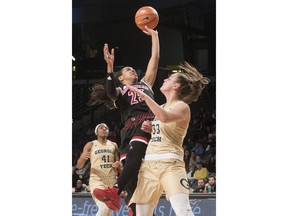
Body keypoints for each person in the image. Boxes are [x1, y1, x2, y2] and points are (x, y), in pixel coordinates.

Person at [91, 25, 160, 214]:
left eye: (133, 70)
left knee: (133, 159)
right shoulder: (121, 90)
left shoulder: (145, 84)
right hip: (127, 131)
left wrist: (154, 36)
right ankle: (132, 207)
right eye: (129, 70)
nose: (133, 72)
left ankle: (114, 190)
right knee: (132, 180)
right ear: (121, 78)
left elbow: (154, 59)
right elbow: (111, 93)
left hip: (145, 124)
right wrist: (110, 67)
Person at [127, 61, 209, 216]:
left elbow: (164, 118)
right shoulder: (162, 106)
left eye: (169, 79)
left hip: (170, 165)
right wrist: (153, 130)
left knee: (183, 211)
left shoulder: (182, 106)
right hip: (149, 166)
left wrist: (144, 96)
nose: (165, 79)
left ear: (176, 86)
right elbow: (164, 126)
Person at [76, 123, 121, 216]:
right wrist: (83, 158)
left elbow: (119, 166)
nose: (104, 129)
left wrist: (118, 165)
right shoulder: (91, 144)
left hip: (111, 180)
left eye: (106, 128)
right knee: (104, 207)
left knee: (108, 211)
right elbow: (79, 166)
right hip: (97, 179)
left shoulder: (113, 145)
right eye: (101, 128)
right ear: (96, 132)